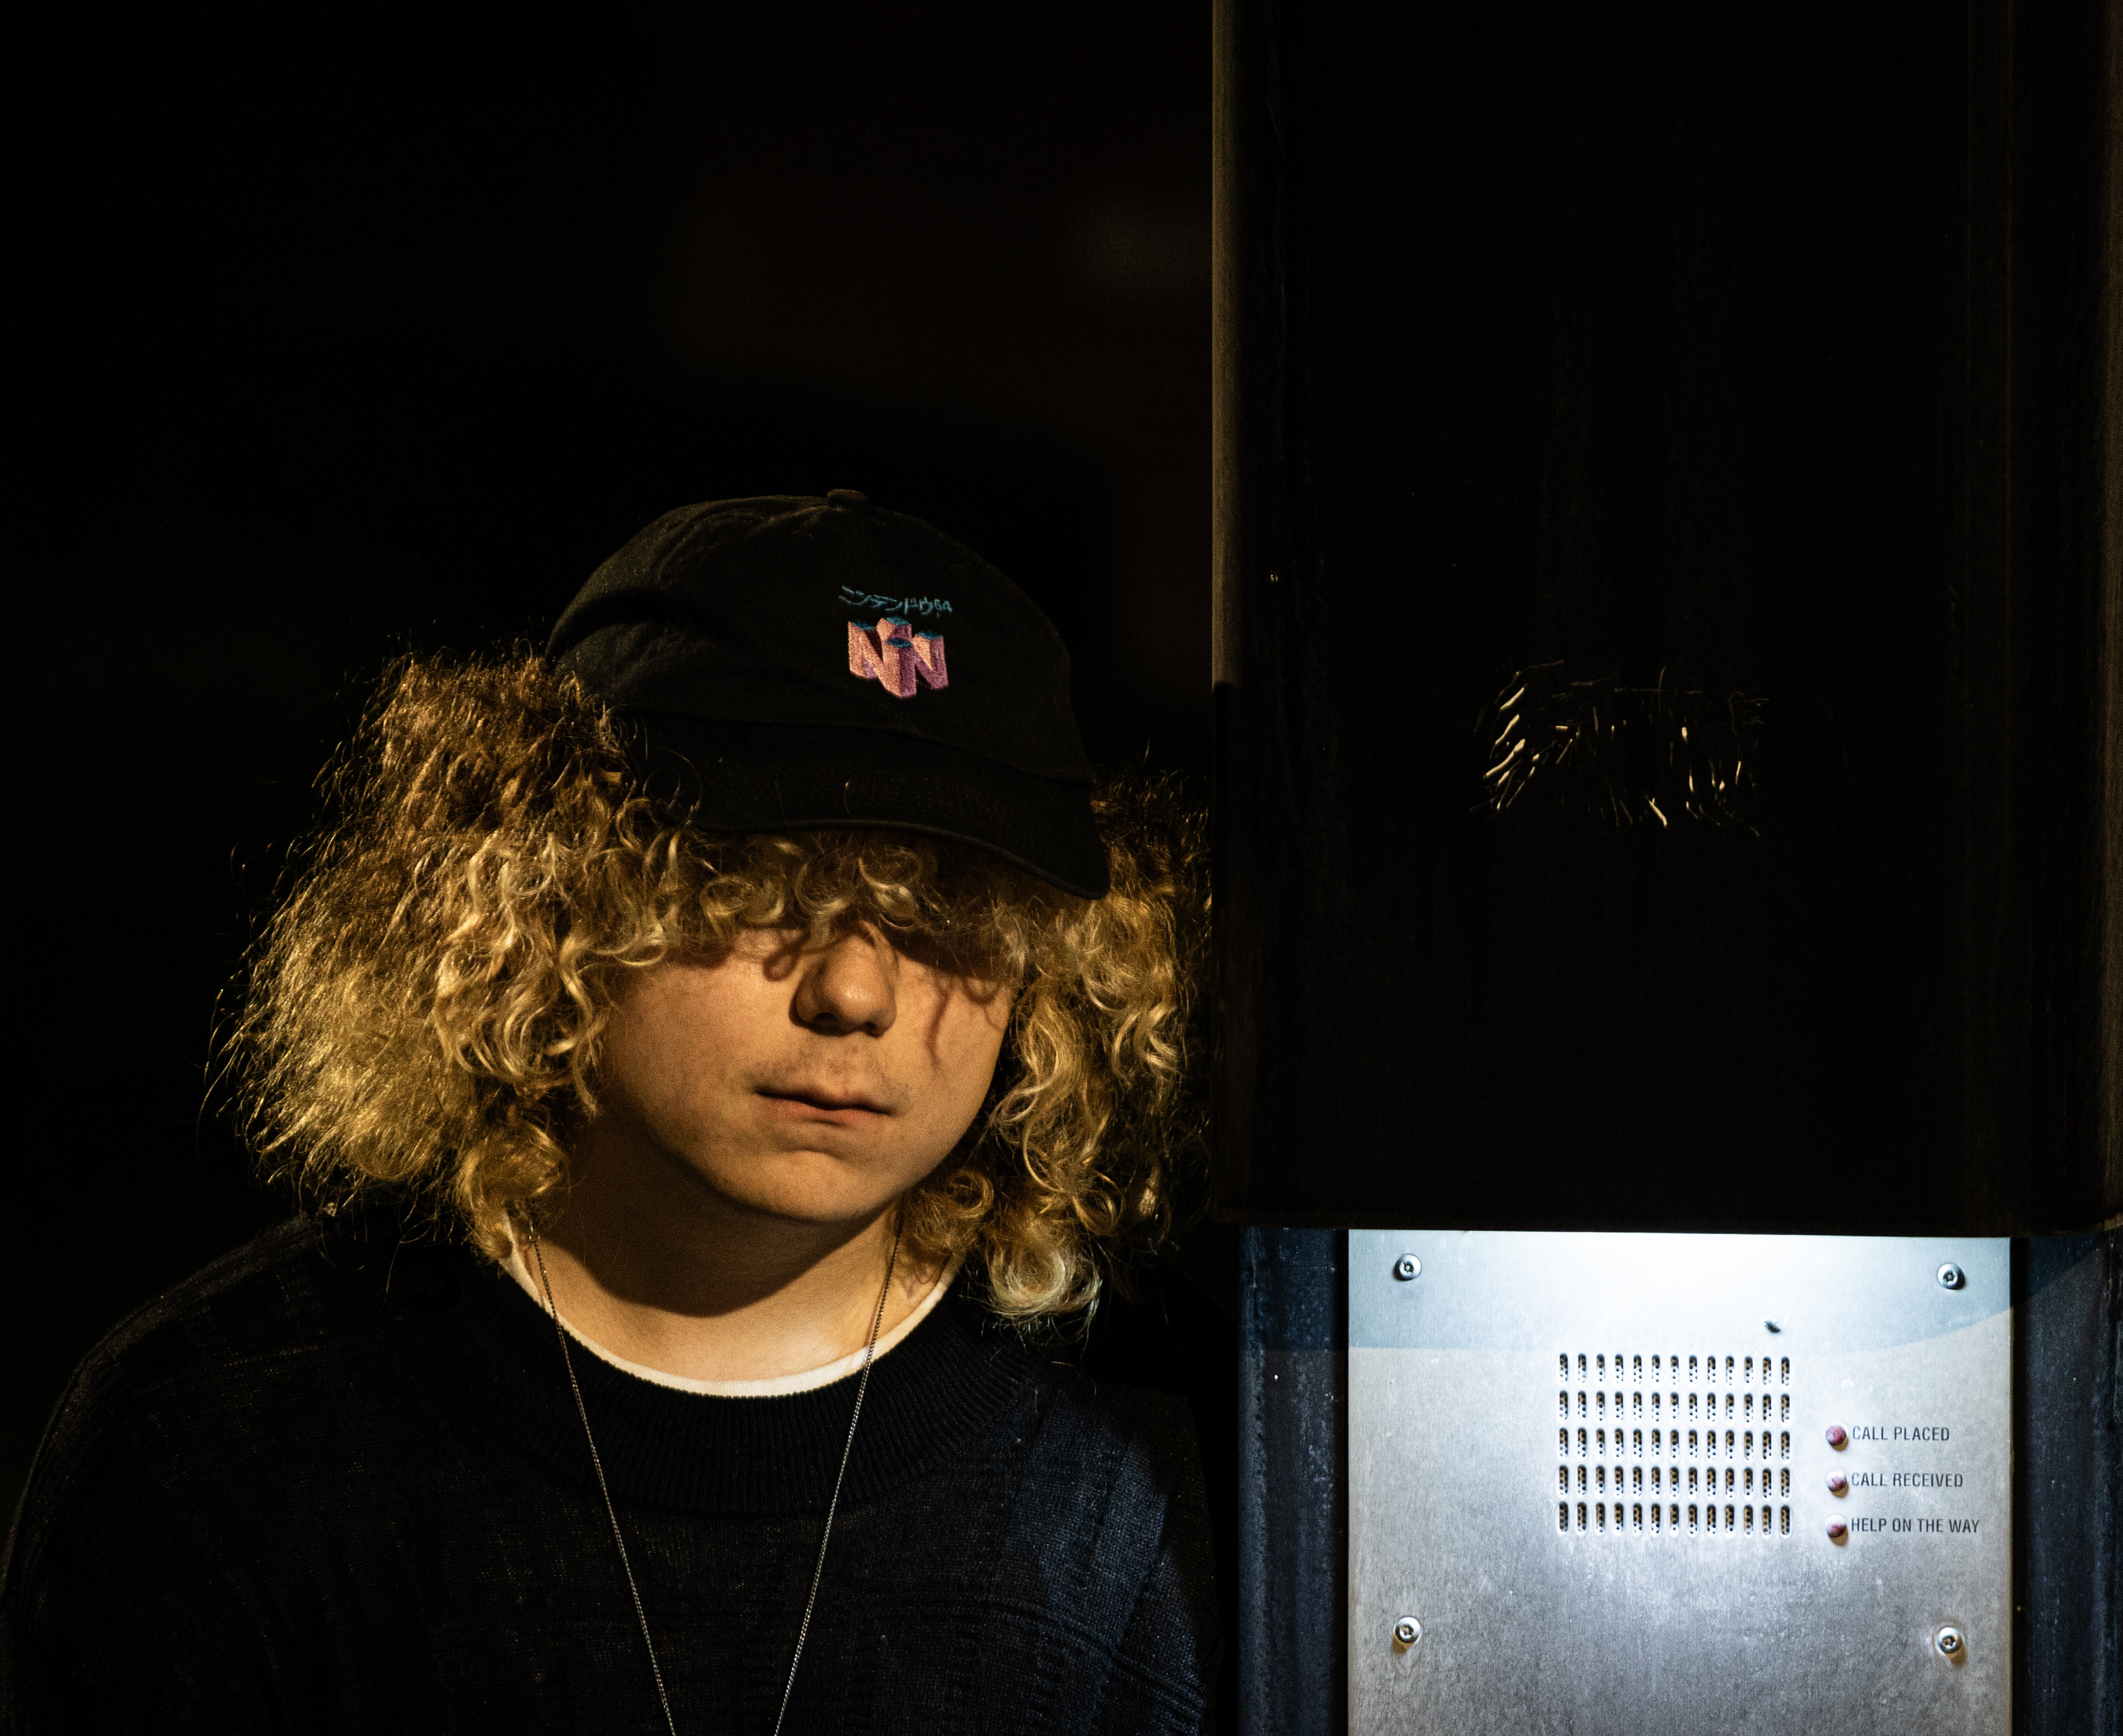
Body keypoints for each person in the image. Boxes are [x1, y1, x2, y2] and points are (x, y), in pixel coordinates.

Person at [1, 492, 1219, 1733]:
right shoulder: (220, 1449)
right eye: (758, 887)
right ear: (551, 893)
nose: (854, 993)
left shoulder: (1176, 1456)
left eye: (949, 913)